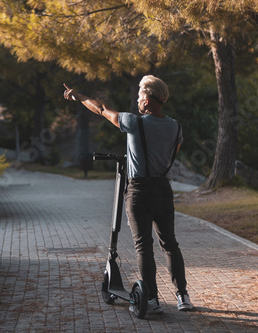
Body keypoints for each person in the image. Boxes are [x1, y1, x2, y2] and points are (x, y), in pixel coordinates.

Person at [63, 75, 193, 314]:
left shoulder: (134, 122)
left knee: (144, 246)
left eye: (139, 96)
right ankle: (183, 296)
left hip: (139, 190)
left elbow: (102, 109)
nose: (137, 100)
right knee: (170, 244)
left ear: (147, 99)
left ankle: (152, 300)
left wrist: (78, 96)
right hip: (163, 189)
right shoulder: (176, 126)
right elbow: (170, 154)